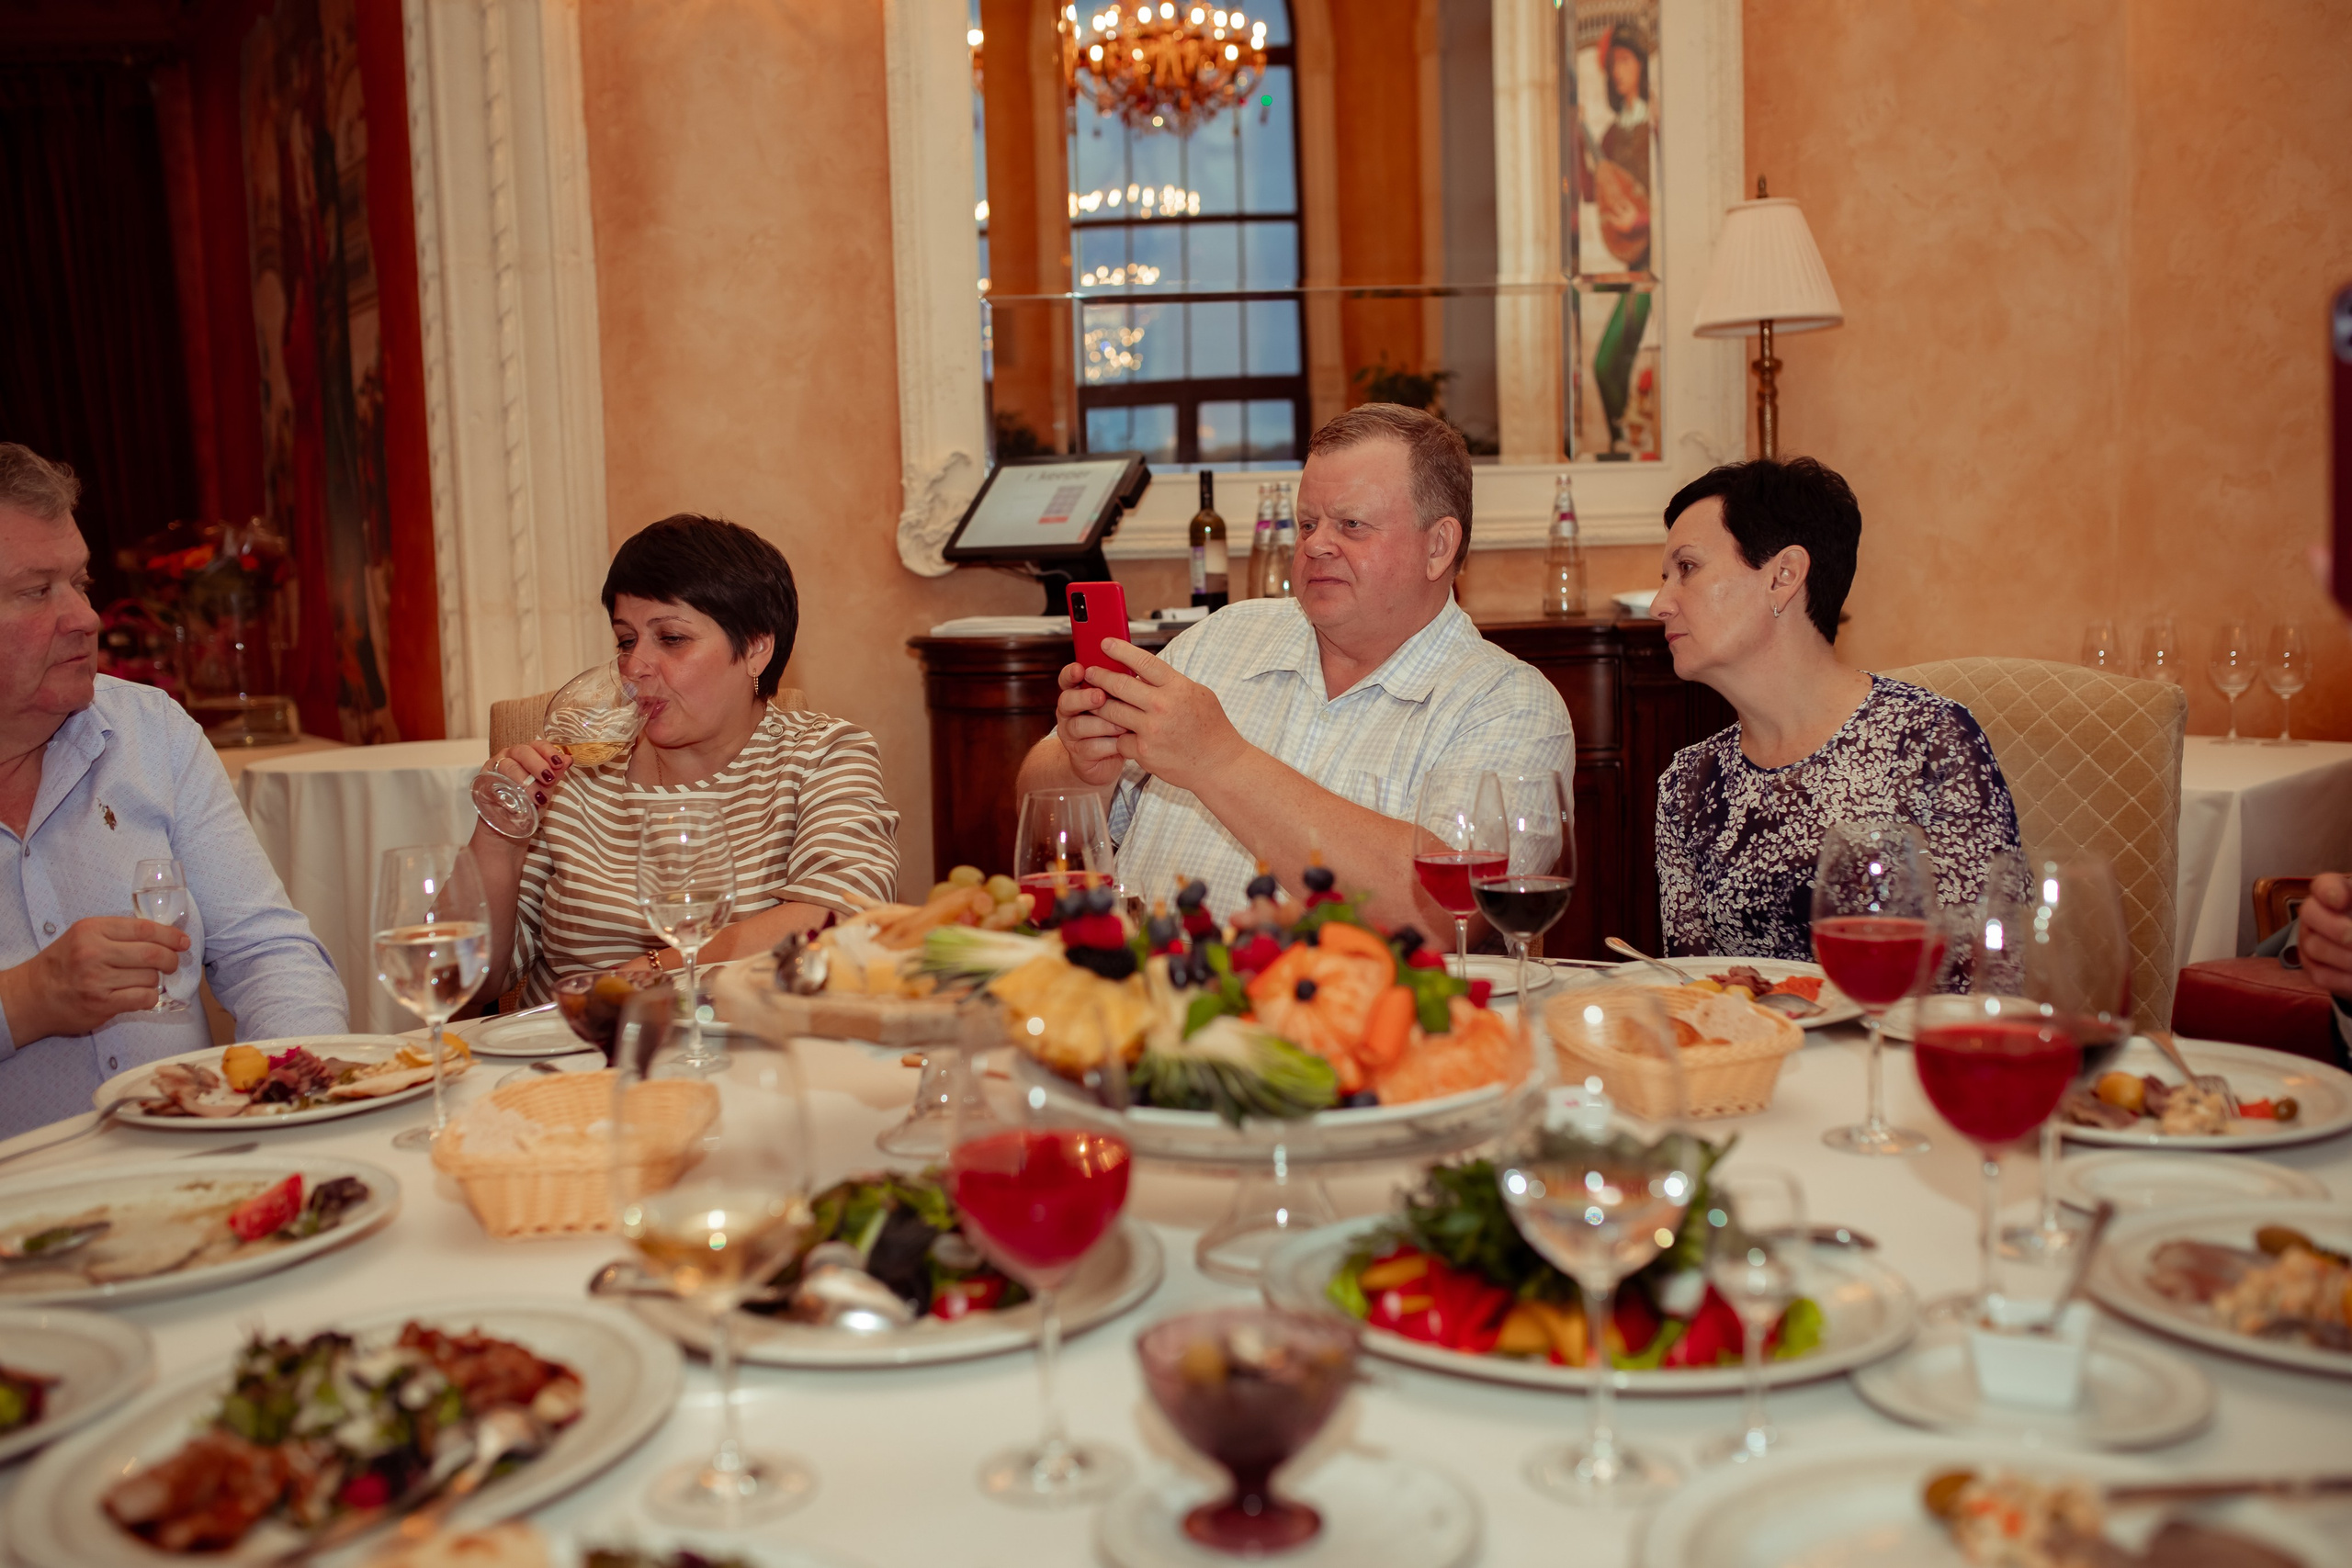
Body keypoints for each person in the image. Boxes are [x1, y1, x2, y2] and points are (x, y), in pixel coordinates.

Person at [1016, 403, 1573, 927]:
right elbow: (1037, 808)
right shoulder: (1221, 638)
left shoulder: (1508, 705)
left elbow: (1443, 913)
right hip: (1139, 1003)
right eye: (1307, 524)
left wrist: (1217, 759)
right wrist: (1083, 765)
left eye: (1351, 525)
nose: (1316, 546)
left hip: (1343, 1021)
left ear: (1438, 546)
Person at [0, 445, 346, 1139]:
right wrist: (28, 999)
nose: (85, 618)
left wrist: (292, 1100)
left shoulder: (148, 731)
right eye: (39, 591)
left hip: (189, 1179)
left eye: (80, 581)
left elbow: (267, 954)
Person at [471, 514, 899, 1007]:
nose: (633, 667)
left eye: (671, 638)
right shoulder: (574, 775)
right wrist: (497, 840)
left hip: (749, 1060)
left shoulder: (822, 755)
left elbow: (838, 922)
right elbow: (466, 984)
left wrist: (645, 975)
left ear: (757, 647)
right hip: (567, 1059)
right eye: (626, 640)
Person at [1650, 456, 2022, 961]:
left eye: (1686, 569)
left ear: (1784, 576)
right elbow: (1692, 988)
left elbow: (1982, 969)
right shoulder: (1688, 783)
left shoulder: (1928, 741)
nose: (1660, 604)